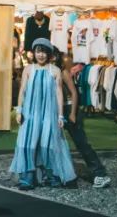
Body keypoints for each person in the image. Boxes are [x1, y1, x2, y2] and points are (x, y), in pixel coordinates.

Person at [10, 38, 76, 190]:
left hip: (48, 113)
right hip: (30, 113)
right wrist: (19, 110)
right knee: (28, 144)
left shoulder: (55, 70)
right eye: (38, 51)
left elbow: (59, 93)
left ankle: (50, 175)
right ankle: (28, 177)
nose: (41, 55)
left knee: (48, 143)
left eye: (44, 52)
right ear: (34, 53)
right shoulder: (28, 69)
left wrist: (60, 115)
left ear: (49, 54)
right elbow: (22, 90)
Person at [56, 51, 111, 189]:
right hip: (57, 111)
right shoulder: (50, 71)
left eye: (53, 56)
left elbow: (74, 92)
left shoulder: (63, 72)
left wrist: (72, 113)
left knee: (81, 143)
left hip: (69, 109)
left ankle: (99, 173)